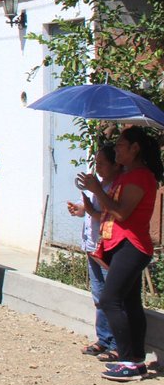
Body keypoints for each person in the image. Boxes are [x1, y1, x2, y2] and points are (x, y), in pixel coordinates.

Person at [79, 126, 164, 382]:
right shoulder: (127, 175)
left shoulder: (140, 177)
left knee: (109, 300)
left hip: (132, 245)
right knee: (129, 303)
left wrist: (97, 190)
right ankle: (136, 359)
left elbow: (121, 212)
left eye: (121, 145)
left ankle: (127, 358)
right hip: (118, 244)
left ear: (135, 148)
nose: (116, 149)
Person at [67, 144, 120, 360]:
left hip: (108, 248)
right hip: (92, 246)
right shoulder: (95, 186)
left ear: (115, 165)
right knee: (99, 295)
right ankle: (103, 339)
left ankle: (117, 343)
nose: (97, 168)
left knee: (113, 297)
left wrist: (91, 209)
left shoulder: (115, 187)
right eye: (95, 163)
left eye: (101, 163)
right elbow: (86, 210)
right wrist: (78, 209)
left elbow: (112, 214)